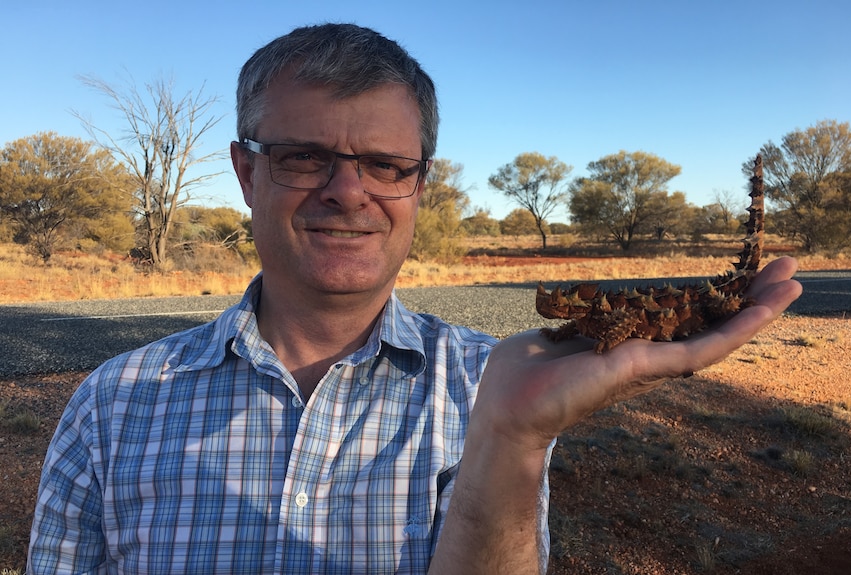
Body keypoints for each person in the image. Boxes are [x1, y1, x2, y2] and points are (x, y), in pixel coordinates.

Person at [28, 23, 802, 575]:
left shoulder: (488, 384)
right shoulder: (111, 406)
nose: (347, 192)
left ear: (420, 185)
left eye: (385, 164)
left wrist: (514, 440)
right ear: (245, 172)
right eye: (304, 157)